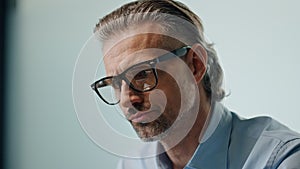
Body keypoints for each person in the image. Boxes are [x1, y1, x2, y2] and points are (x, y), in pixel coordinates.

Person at [91, 0, 300, 168]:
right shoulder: (131, 165)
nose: (128, 99)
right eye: (116, 83)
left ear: (195, 65)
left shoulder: (282, 159)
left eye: (143, 73)